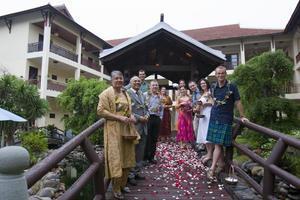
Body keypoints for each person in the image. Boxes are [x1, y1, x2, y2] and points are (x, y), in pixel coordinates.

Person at [97, 70, 138, 199]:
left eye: (121, 78)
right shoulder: (106, 94)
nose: (119, 80)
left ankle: (122, 184)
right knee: (116, 157)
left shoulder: (125, 93)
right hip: (113, 129)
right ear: (112, 80)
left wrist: (131, 116)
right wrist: (118, 118)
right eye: (116, 78)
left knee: (128, 155)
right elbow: (100, 111)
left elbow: (128, 110)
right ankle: (115, 188)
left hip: (126, 128)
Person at [206, 66, 248, 179]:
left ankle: (213, 168)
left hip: (225, 119)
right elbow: (212, 100)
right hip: (214, 117)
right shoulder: (213, 86)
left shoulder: (232, 86)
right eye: (218, 73)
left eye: (222, 73)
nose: (220, 75)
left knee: (218, 145)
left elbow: (238, 102)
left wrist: (242, 116)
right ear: (215, 75)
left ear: (226, 74)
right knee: (217, 143)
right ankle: (221, 164)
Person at [127, 76, 148, 182]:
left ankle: (137, 172)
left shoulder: (142, 94)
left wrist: (147, 115)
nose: (137, 82)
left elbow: (146, 107)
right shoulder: (127, 94)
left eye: (139, 81)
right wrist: (140, 118)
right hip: (135, 126)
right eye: (135, 81)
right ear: (130, 82)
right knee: (133, 151)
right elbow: (127, 110)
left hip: (144, 127)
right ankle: (130, 175)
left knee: (141, 150)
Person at [144, 80, 163, 164]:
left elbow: (161, 107)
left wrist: (161, 117)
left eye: (156, 85)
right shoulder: (145, 95)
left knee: (154, 138)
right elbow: (143, 107)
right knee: (147, 137)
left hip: (157, 118)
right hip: (148, 118)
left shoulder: (160, 96)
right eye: (153, 85)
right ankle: (145, 157)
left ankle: (152, 157)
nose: (155, 86)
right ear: (150, 86)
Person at [196, 79, 214, 164]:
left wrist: (204, 104)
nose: (203, 84)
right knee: (203, 133)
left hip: (209, 113)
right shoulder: (202, 94)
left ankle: (210, 154)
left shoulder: (210, 92)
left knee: (207, 133)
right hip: (203, 113)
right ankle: (208, 153)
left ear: (207, 84)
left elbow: (213, 103)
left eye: (204, 83)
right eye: (201, 83)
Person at [188, 80, 201, 146]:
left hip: (201, 112)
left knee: (198, 128)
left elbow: (200, 102)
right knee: (196, 128)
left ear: (196, 85)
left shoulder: (200, 92)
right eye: (190, 86)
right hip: (196, 112)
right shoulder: (193, 94)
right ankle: (199, 143)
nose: (192, 87)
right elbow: (193, 103)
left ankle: (201, 144)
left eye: (193, 85)